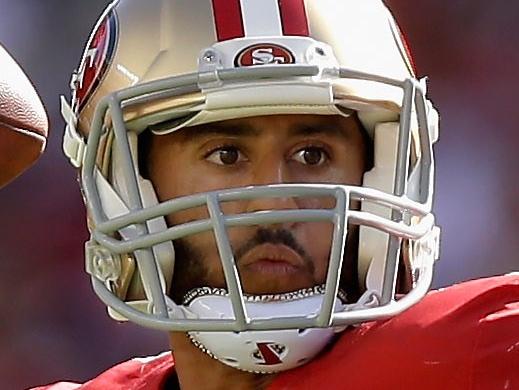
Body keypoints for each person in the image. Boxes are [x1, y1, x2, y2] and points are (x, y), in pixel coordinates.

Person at [37, 0, 519, 389]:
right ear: (126, 186)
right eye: (226, 155)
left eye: (312, 155)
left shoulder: (470, 355)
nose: (274, 201)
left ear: (378, 177)